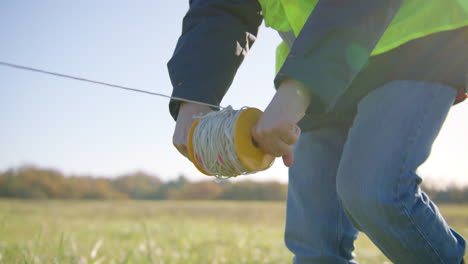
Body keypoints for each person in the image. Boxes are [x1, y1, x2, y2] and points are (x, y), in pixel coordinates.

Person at [168, 0, 467, 263]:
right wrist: (194, 95)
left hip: (417, 44)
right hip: (320, 68)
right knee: (314, 242)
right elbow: (221, 6)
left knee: (374, 192)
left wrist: (298, 88)